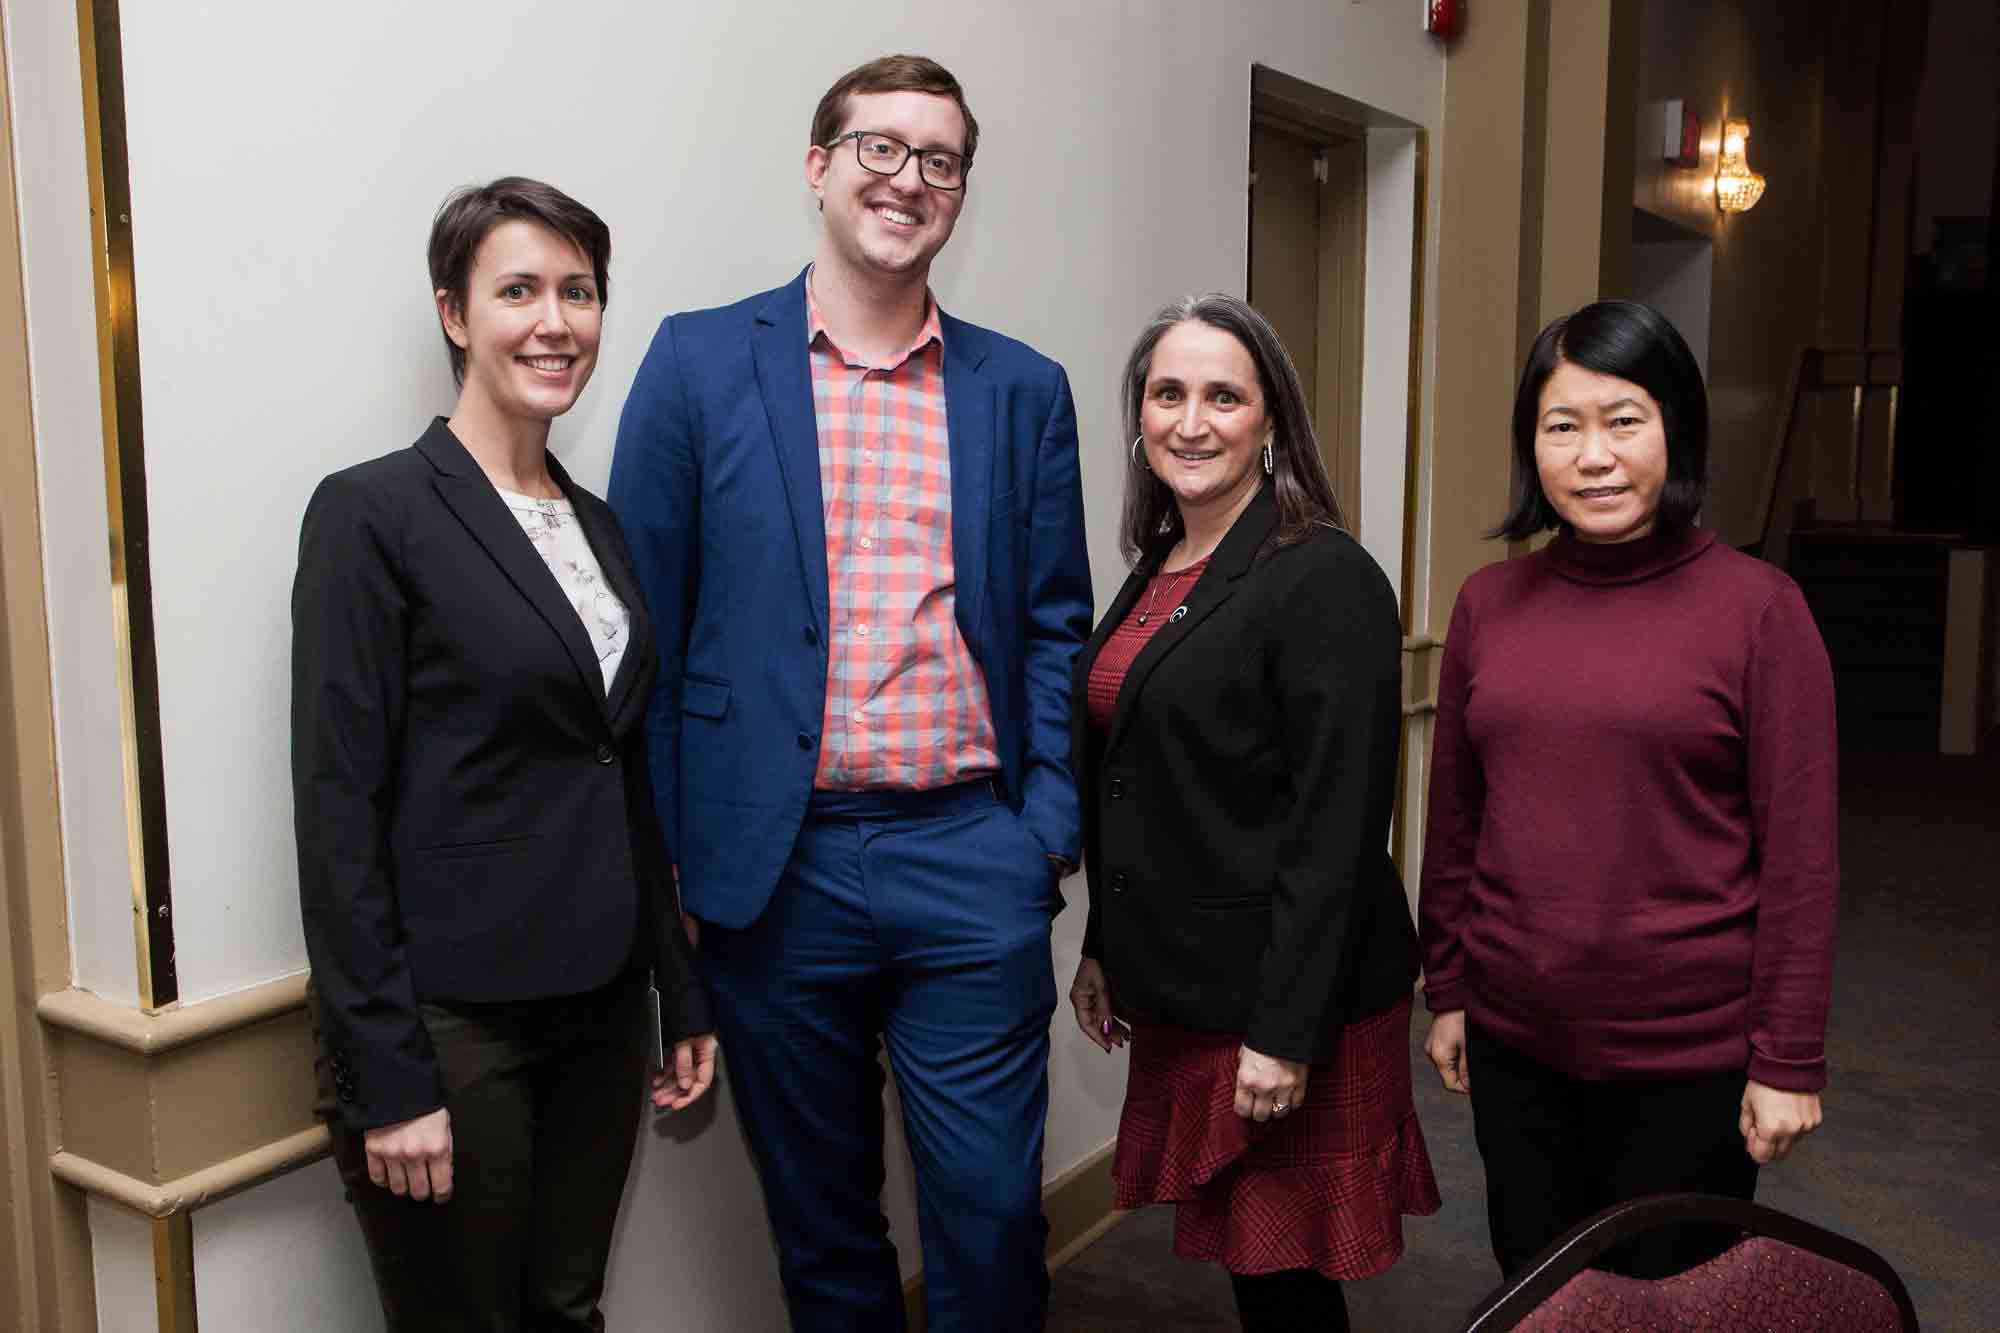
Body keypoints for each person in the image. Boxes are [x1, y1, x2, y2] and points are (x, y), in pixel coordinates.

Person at [607, 56, 1090, 1332]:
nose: (907, 179)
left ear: (959, 194)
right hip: (774, 876)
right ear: (818, 166)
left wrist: (1039, 834)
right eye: (879, 147)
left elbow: (1055, 625)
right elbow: (646, 635)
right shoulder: (699, 361)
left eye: (939, 160)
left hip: (967, 856)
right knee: (822, 1231)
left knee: (991, 1217)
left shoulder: (1022, 390)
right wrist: (673, 869)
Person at [292, 177, 717, 1331]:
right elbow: (336, 810)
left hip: (598, 1008)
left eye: (579, 292)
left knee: (567, 1309)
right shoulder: (372, 513)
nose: (555, 321)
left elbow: (622, 773)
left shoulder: (597, 524)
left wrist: (677, 991)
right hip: (451, 1023)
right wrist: (387, 1078)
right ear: (453, 312)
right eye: (518, 290)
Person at [1417, 299, 1838, 1280]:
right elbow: (1456, 821)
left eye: (1624, 420)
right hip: (1516, 1042)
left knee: (1668, 1299)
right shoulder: (1488, 603)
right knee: (1537, 1290)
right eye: (1562, 426)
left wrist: (1786, 1057)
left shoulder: (1760, 611)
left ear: (1674, 429)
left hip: (1687, 1059)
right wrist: (1449, 989)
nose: (1593, 456)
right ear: (1532, 445)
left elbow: (1801, 860)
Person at [1066, 295, 1440, 1333]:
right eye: (1167, 394)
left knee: (1283, 1280)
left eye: (1223, 397)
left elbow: (1336, 829)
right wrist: (1102, 942)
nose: (1191, 422)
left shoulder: (1322, 575)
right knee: (1253, 1267)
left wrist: (1284, 1033)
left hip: (1283, 997)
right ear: (1139, 415)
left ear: (1271, 419)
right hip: (1192, 982)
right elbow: (1140, 778)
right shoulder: (1161, 562)